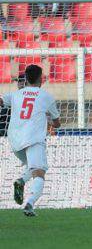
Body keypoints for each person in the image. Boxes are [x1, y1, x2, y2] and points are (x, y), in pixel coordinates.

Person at [0, 65, 61, 216]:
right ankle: (30, 203)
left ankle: (21, 180)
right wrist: (48, 120)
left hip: (15, 140)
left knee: (37, 165)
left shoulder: (16, 94)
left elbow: (1, 101)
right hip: (33, 139)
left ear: (26, 79)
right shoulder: (46, 96)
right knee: (39, 173)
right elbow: (57, 123)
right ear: (41, 78)